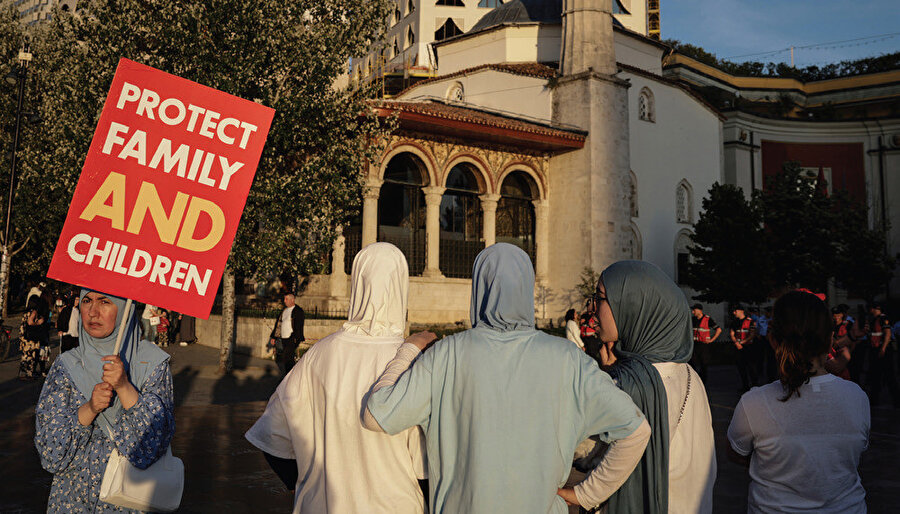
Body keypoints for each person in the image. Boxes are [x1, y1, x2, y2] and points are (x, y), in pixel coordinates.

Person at [363, 244, 650, 513]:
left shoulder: (447, 354)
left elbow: (378, 415)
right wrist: (587, 495)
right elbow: (636, 430)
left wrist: (408, 351)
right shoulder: (568, 359)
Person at [246, 243, 428, 513]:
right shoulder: (411, 361)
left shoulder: (318, 354)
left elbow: (271, 436)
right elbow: (425, 466)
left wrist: (305, 485)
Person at [727, 290, 869, 513]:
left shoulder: (753, 402)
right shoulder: (857, 397)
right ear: (830, 339)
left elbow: (736, 452)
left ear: (773, 340)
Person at [34, 290, 174, 512]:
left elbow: (151, 448)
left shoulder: (151, 364)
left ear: (124, 310)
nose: (93, 312)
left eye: (105, 302)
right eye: (86, 301)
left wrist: (124, 387)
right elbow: (51, 455)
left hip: (129, 502)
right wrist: (89, 408)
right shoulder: (67, 365)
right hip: (72, 502)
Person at [594, 261, 716, 514]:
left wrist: (608, 381)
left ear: (634, 307)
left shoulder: (633, 384)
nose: (594, 308)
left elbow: (591, 453)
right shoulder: (688, 373)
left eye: (601, 298)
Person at [864, 303, 899, 406]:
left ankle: (896, 401)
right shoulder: (874, 319)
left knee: (888, 376)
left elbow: (887, 333)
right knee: (876, 376)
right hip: (876, 350)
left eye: (871, 308)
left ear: (874, 309)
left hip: (882, 351)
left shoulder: (883, 318)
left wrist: (883, 348)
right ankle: (874, 401)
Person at [269, 292, 305, 377]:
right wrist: (274, 337)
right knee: (286, 359)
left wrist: (295, 338)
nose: (284, 301)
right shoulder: (284, 311)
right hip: (283, 338)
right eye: (284, 299)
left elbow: (299, 326)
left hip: (292, 338)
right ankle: (290, 376)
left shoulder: (298, 311)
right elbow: (278, 324)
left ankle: (290, 377)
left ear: (292, 300)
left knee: (287, 357)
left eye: (286, 299)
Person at [690, 303, 721, 383]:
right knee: (691, 361)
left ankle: (703, 381)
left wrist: (712, 340)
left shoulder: (708, 319)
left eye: (694, 310)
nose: (693, 312)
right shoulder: (692, 319)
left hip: (704, 345)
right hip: (695, 344)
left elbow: (718, 330)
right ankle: (696, 378)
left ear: (699, 310)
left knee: (704, 364)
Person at [730, 305, 759, 391]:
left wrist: (742, 342)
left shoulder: (750, 321)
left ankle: (755, 386)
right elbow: (732, 334)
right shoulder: (734, 322)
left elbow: (752, 334)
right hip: (738, 347)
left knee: (751, 367)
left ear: (741, 311)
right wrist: (736, 343)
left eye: (735, 311)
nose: (734, 313)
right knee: (741, 367)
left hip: (748, 347)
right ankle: (745, 386)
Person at [20, 308, 49, 380]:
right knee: (31, 355)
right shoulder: (34, 312)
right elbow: (30, 322)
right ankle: (29, 373)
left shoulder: (27, 312)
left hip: (24, 336)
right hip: (30, 338)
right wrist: (38, 323)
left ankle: (23, 373)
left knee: (25, 355)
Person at [827, 306, 854, 380]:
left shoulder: (848, 325)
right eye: (834, 315)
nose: (836, 317)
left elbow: (853, 339)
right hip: (835, 354)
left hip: (846, 353)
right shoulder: (830, 325)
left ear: (842, 315)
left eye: (838, 315)